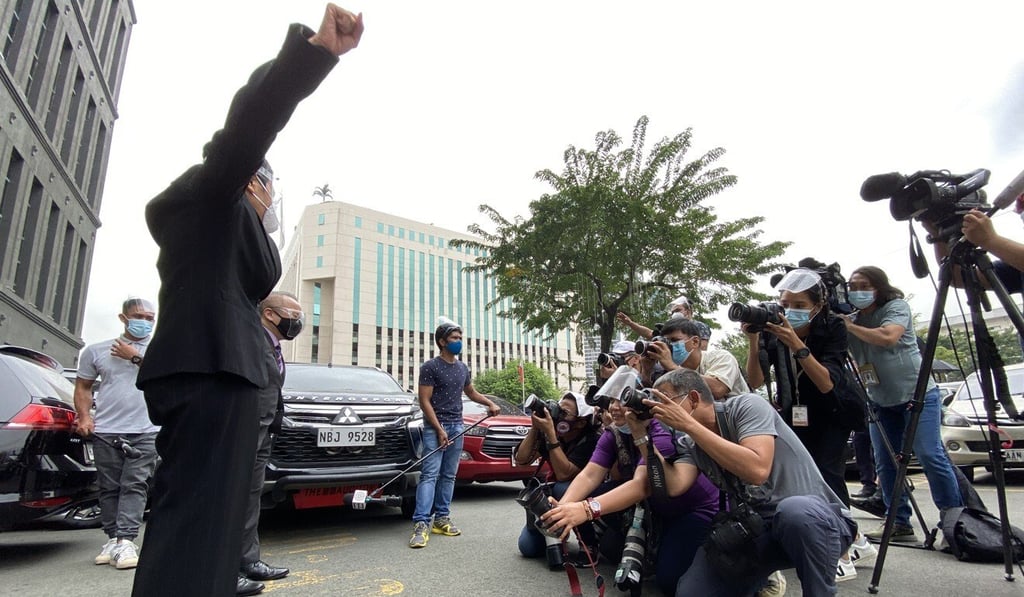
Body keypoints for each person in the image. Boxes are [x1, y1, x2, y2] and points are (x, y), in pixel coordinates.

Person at [132, 7, 364, 596]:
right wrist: (313, 53)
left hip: (218, 373)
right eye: (267, 186)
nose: (269, 200)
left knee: (203, 526)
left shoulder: (213, 229)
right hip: (215, 371)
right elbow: (248, 126)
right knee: (197, 524)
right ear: (250, 180)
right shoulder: (217, 195)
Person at [554, 369, 856, 596]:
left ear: (693, 398)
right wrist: (640, 434)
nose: (658, 408)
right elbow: (671, 485)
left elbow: (757, 468)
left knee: (795, 512)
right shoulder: (689, 441)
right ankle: (757, 581)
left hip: (817, 521)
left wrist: (687, 424)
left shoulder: (746, 407)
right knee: (691, 591)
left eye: (665, 401)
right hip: (755, 529)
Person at [742, 268, 876, 581]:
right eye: (785, 303)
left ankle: (841, 552)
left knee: (827, 474)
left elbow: (827, 383)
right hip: (794, 412)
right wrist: (753, 341)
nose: (790, 311)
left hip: (833, 410)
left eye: (800, 305)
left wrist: (796, 345)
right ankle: (858, 540)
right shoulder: (770, 330)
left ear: (818, 306)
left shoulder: (831, 328)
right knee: (798, 477)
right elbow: (755, 379)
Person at [545, 372, 719, 595]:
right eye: (612, 400)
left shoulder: (660, 430)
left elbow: (641, 485)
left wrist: (585, 510)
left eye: (623, 399)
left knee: (668, 580)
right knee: (611, 547)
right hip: (656, 508)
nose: (615, 407)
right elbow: (590, 475)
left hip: (694, 510)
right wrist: (562, 510)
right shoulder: (613, 433)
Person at [841, 266, 964, 541]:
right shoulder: (849, 319)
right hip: (880, 401)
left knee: (929, 455)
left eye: (863, 285)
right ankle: (898, 522)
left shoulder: (895, 307)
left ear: (879, 286)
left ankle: (955, 521)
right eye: (852, 286)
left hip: (917, 396)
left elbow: (889, 337)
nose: (857, 291)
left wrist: (849, 326)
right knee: (885, 463)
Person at [74, 297, 160, 571]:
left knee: (135, 483)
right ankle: (112, 538)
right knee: (109, 487)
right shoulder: (95, 351)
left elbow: (165, 378)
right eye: (138, 316)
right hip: (107, 429)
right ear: (123, 318)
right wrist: (85, 416)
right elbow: (84, 386)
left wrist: (133, 356)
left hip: (147, 428)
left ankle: (126, 539)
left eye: (149, 318)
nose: (144, 322)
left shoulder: (161, 350)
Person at [409, 319, 501, 549]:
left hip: (457, 426)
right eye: (454, 339)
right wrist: (439, 429)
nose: (459, 342)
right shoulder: (430, 367)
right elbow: (424, 401)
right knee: (430, 474)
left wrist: (489, 403)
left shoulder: (462, 368)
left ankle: (442, 519)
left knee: (449, 476)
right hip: (434, 428)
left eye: (460, 338)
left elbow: (470, 392)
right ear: (442, 342)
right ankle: (421, 523)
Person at [237, 292, 304, 595]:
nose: (299, 321)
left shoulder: (273, 346)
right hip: (245, 429)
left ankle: (248, 560)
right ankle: (226, 568)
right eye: (294, 313)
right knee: (234, 498)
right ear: (270, 314)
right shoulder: (250, 340)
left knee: (250, 497)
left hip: (264, 431)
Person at [514, 392, 600, 562]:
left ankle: (589, 543)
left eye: (565, 413)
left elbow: (564, 474)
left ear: (581, 422)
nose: (559, 415)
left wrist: (551, 437)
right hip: (553, 492)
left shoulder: (591, 440)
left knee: (562, 487)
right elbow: (521, 460)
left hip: (585, 495)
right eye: (558, 410)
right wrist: (536, 428)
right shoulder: (549, 431)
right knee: (528, 548)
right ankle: (554, 536)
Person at [639, 318, 748, 399]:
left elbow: (718, 389)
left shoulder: (720, 357)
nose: (669, 346)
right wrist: (647, 373)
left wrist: (672, 367)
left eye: (674, 340)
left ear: (695, 342)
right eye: (666, 342)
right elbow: (658, 399)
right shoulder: (670, 371)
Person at [617, 295, 713, 350]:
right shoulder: (672, 329)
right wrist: (631, 323)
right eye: (672, 312)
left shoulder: (699, 326)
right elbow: (650, 333)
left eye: (678, 310)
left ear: (688, 311)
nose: (674, 314)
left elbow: (702, 348)